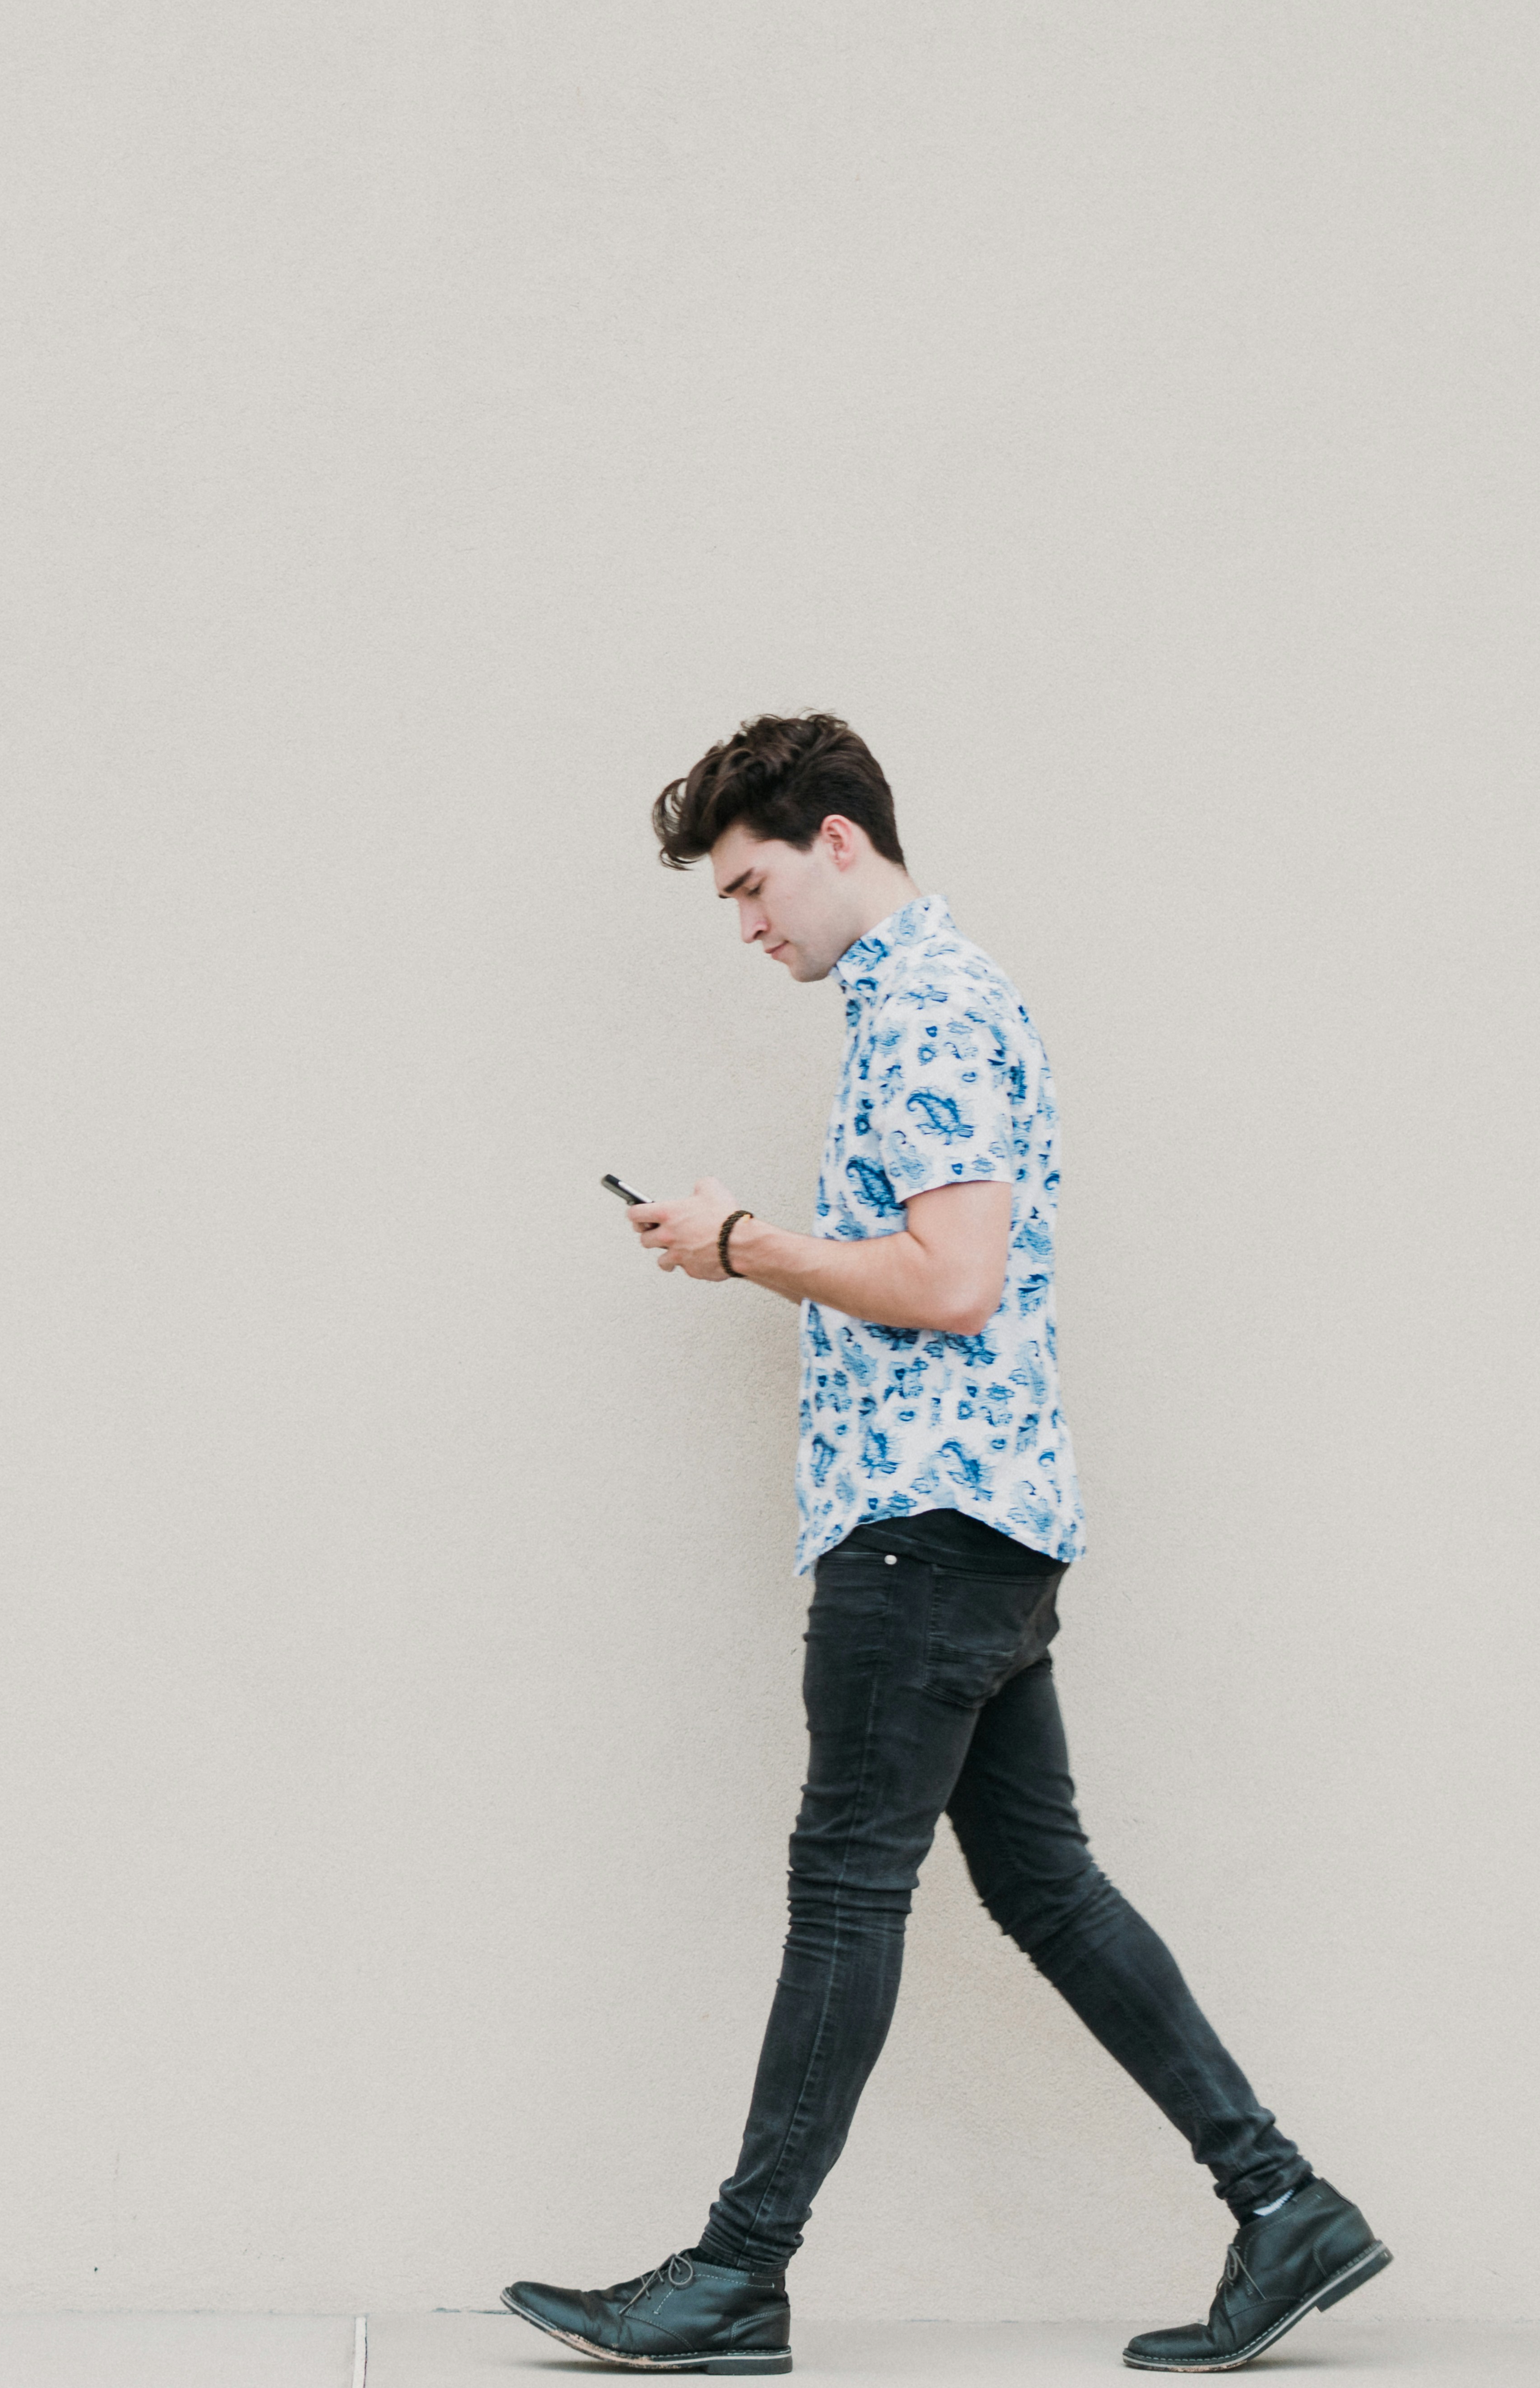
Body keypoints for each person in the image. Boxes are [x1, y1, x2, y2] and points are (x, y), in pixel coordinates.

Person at [501, 715, 1386, 2377]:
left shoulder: (927, 1003)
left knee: (847, 1887)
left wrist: (744, 1243)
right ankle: (1284, 2205)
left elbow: (951, 1281)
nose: (749, 924)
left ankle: (739, 2275)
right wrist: (745, 1250)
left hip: (923, 1530)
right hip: (972, 1523)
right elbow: (946, 1266)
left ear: (842, 842)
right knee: (1045, 1887)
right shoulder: (928, 999)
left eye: (756, 886)